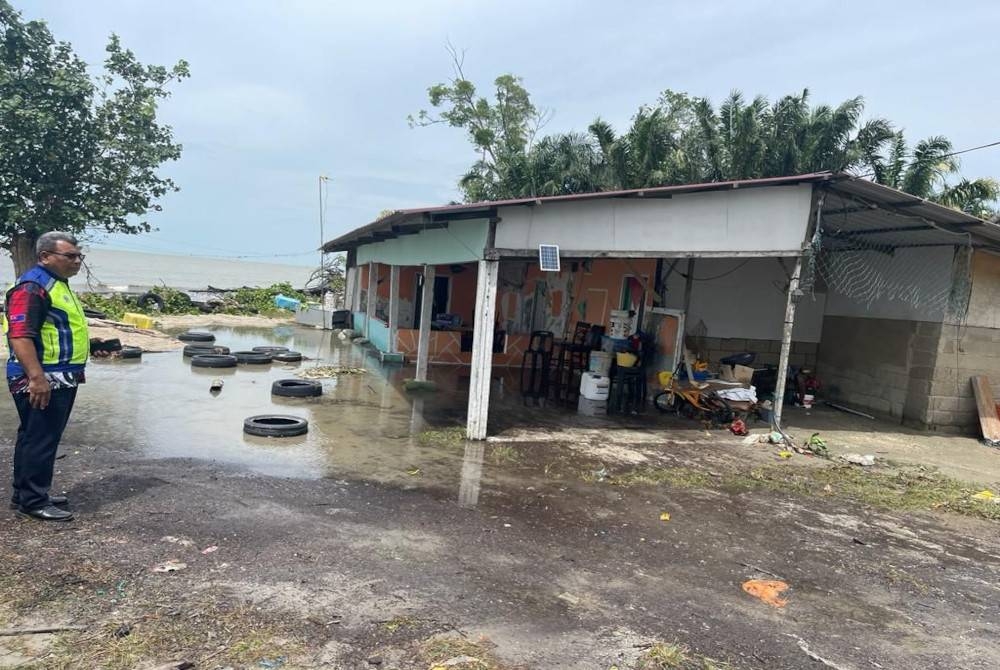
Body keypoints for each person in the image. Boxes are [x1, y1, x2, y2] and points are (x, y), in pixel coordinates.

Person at [3, 231, 104, 521]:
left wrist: (91, 346)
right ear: (45, 256)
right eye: (69, 256)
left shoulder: (58, 284)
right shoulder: (33, 287)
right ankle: (34, 501)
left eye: (78, 256)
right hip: (43, 377)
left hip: (60, 374)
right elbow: (20, 335)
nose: (77, 261)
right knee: (42, 438)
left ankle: (25, 494)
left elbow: (57, 330)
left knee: (33, 435)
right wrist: (36, 378)